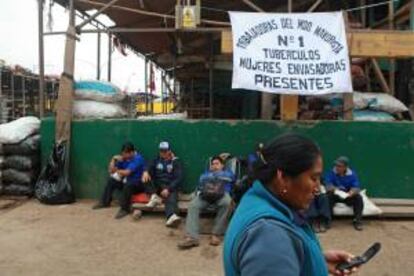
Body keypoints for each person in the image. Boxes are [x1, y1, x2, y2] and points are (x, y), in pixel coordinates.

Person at [223, 134, 359, 276]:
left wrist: (315, 261)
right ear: (282, 178)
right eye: (313, 178)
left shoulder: (256, 198)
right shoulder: (269, 235)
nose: (318, 188)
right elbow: (271, 254)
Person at [178, 156, 235, 249]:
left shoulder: (228, 173)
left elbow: (231, 178)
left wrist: (215, 174)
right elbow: (201, 181)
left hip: (222, 195)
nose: (214, 166)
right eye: (213, 164)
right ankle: (192, 237)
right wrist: (212, 174)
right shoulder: (205, 174)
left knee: (227, 203)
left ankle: (215, 234)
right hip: (206, 195)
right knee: (193, 205)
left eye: (217, 164)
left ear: (222, 165)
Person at [92, 142, 150, 219]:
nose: (124, 156)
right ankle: (105, 202)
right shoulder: (124, 158)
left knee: (129, 184)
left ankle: (124, 209)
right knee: (111, 181)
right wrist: (113, 159)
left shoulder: (138, 158)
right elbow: (111, 170)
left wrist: (116, 170)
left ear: (132, 152)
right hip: (127, 183)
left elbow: (127, 172)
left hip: (138, 185)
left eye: (126, 154)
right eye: (123, 154)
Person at [145, 141, 183, 228]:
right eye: (161, 151)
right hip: (157, 185)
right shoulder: (156, 159)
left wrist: (168, 189)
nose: (163, 153)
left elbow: (178, 178)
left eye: (165, 151)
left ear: (169, 151)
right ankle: (155, 196)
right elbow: (149, 165)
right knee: (145, 178)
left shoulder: (175, 161)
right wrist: (145, 171)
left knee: (171, 197)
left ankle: (171, 217)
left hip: (169, 186)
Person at [325, 156, 364, 231]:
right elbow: (327, 185)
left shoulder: (352, 174)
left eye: (340, 166)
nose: (337, 167)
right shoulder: (331, 172)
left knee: (358, 198)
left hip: (347, 195)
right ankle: (328, 220)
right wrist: (334, 189)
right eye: (336, 165)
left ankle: (357, 221)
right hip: (335, 194)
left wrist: (352, 192)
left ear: (345, 167)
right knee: (327, 197)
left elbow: (356, 187)